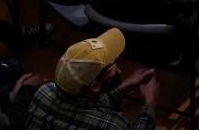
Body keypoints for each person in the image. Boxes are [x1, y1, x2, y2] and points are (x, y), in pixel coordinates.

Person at [25, 28, 160, 129]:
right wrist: (150, 102)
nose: (116, 64)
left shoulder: (44, 93)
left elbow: (86, 104)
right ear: (95, 86)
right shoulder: (114, 125)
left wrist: (123, 87)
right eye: (112, 64)